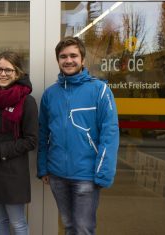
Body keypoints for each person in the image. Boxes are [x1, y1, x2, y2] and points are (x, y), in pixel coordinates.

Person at [37, 37, 119, 235]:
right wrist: (43, 167)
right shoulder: (50, 94)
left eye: (73, 55)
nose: (68, 60)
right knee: (68, 226)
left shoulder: (100, 91)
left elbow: (110, 133)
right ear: (58, 60)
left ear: (82, 60)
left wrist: (103, 173)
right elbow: (43, 133)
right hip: (57, 175)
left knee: (83, 229)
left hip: (87, 176)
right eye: (63, 56)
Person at [0, 51, 38, 235]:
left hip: (12, 172)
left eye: (8, 70)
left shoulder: (27, 101)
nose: (2, 73)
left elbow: (31, 141)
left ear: (17, 73)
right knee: (0, 221)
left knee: (18, 223)